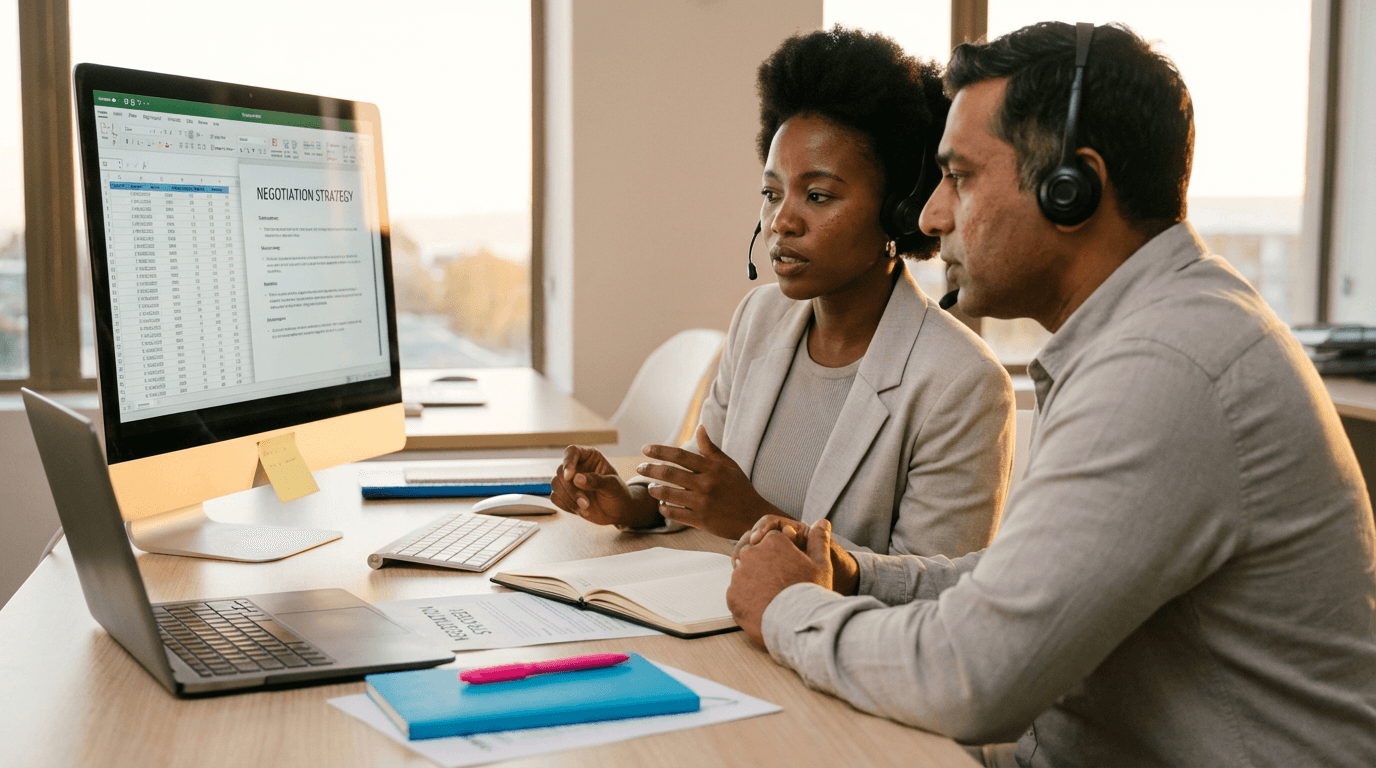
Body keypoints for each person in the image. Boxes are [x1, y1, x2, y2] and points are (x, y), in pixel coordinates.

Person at [726, 21, 1376, 767]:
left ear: (1071, 188)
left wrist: (787, 607)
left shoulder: (1166, 366)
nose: (932, 216)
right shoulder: (1145, 333)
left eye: (960, 177)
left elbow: (970, 679)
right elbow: (1021, 584)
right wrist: (854, 573)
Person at [550, 27, 1014, 557]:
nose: (781, 221)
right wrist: (630, 503)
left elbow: (932, 595)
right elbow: (704, 480)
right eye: (771, 193)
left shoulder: (963, 384)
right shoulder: (760, 317)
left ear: (897, 212)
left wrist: (756, 519)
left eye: (817, 195)